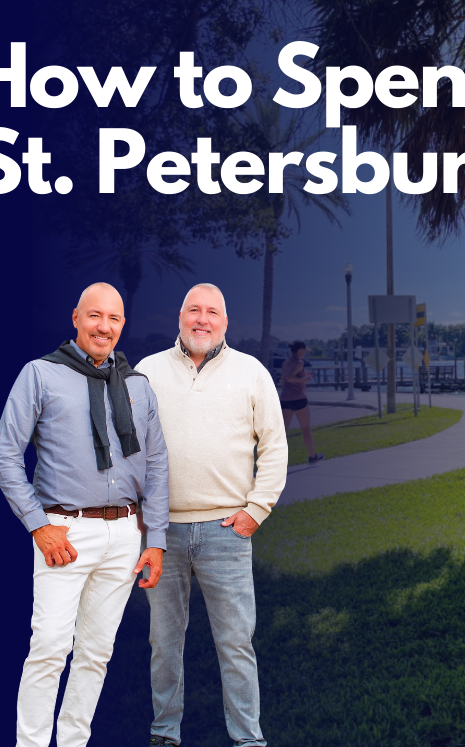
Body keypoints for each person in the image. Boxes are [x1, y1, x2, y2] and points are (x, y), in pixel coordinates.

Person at [0, 282, 169, 747]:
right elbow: (5, 457)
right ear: (76, 318)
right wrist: (39, 526)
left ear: (122, 325)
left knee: (96, 654)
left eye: (113, 319)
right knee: (49, 648)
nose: (103, 327)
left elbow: (156, 466)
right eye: (95, 316)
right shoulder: (40, 375)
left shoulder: (138, 387)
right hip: (64, 533)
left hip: (125, 536)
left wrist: (155, 540)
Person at [136, 283, 288, 747]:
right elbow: (131, 451)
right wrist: (144, 524)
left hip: (227, 532)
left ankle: (247, 738)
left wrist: (255, 512)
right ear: (179, 316)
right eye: (194, 310)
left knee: (236, 643)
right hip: (163, 534)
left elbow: (276, 447)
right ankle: (165, 731)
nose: (203, 319)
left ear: (226, 322)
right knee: (164, 643)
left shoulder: (251, 373)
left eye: (213, 312)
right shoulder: (147, 372)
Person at [280, 340, 323, 463]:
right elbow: (290, 378)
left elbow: (283, 381)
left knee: (282, 431)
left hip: (285, 399)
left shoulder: (285, 363)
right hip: (299, 399)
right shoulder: (299, 362)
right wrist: (305, 379)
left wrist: (291, 387)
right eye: (304, 351)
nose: (305, 353)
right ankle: (312, 456)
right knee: (305, 429)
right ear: (300, 350)